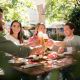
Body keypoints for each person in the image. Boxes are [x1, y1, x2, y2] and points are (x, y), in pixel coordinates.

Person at [0, 8, 43, 80]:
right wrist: (38, 48)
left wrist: (31, 44)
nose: (3, 21)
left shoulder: (19, 39)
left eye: (18, 26)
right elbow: (17, 50)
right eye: (1, 18)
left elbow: (18, 47)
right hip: (10, 69)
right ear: (11, 27)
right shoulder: (5, 38)